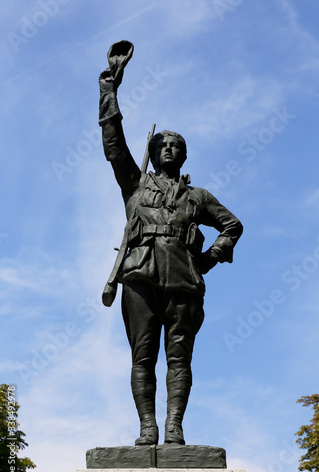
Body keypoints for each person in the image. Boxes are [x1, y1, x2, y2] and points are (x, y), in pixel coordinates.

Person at [99, 41, 243, 446]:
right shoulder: (134, 185)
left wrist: (209, 260)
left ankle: (175, 426)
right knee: (142, 357)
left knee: (180, 359)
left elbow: (233, 226)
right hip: (140, 277)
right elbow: (113, 144)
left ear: (183, 154)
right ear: (153, 151)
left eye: (175, 145)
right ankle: (148, 427)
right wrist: (109, 89)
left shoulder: (199, 197)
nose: (168, 148)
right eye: (162, 144)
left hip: (183, 280)